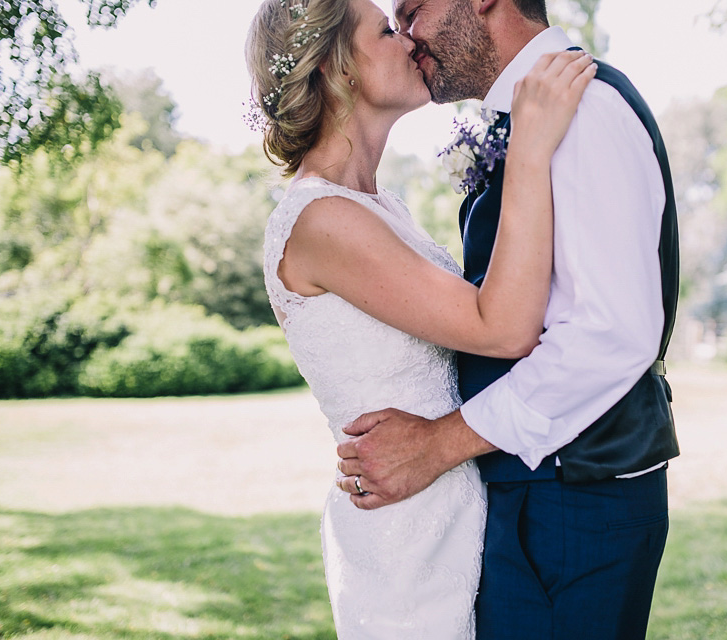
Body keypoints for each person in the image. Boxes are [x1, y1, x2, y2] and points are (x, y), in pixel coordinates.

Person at [245, 0, 595, 636]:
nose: (410, 38)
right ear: (339, 68)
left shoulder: (379, 208)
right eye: (386, 28)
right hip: (407, 541)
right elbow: (504, 328)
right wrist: (531, 150)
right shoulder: (322, 220)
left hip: (451, 512)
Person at [335, 0, 681, 638]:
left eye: (413, 11)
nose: (408, 35)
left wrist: (440, 443)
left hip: (576, 494)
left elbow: (610, 335)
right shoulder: (527, 116)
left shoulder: (587, 109)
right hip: (531, 485)